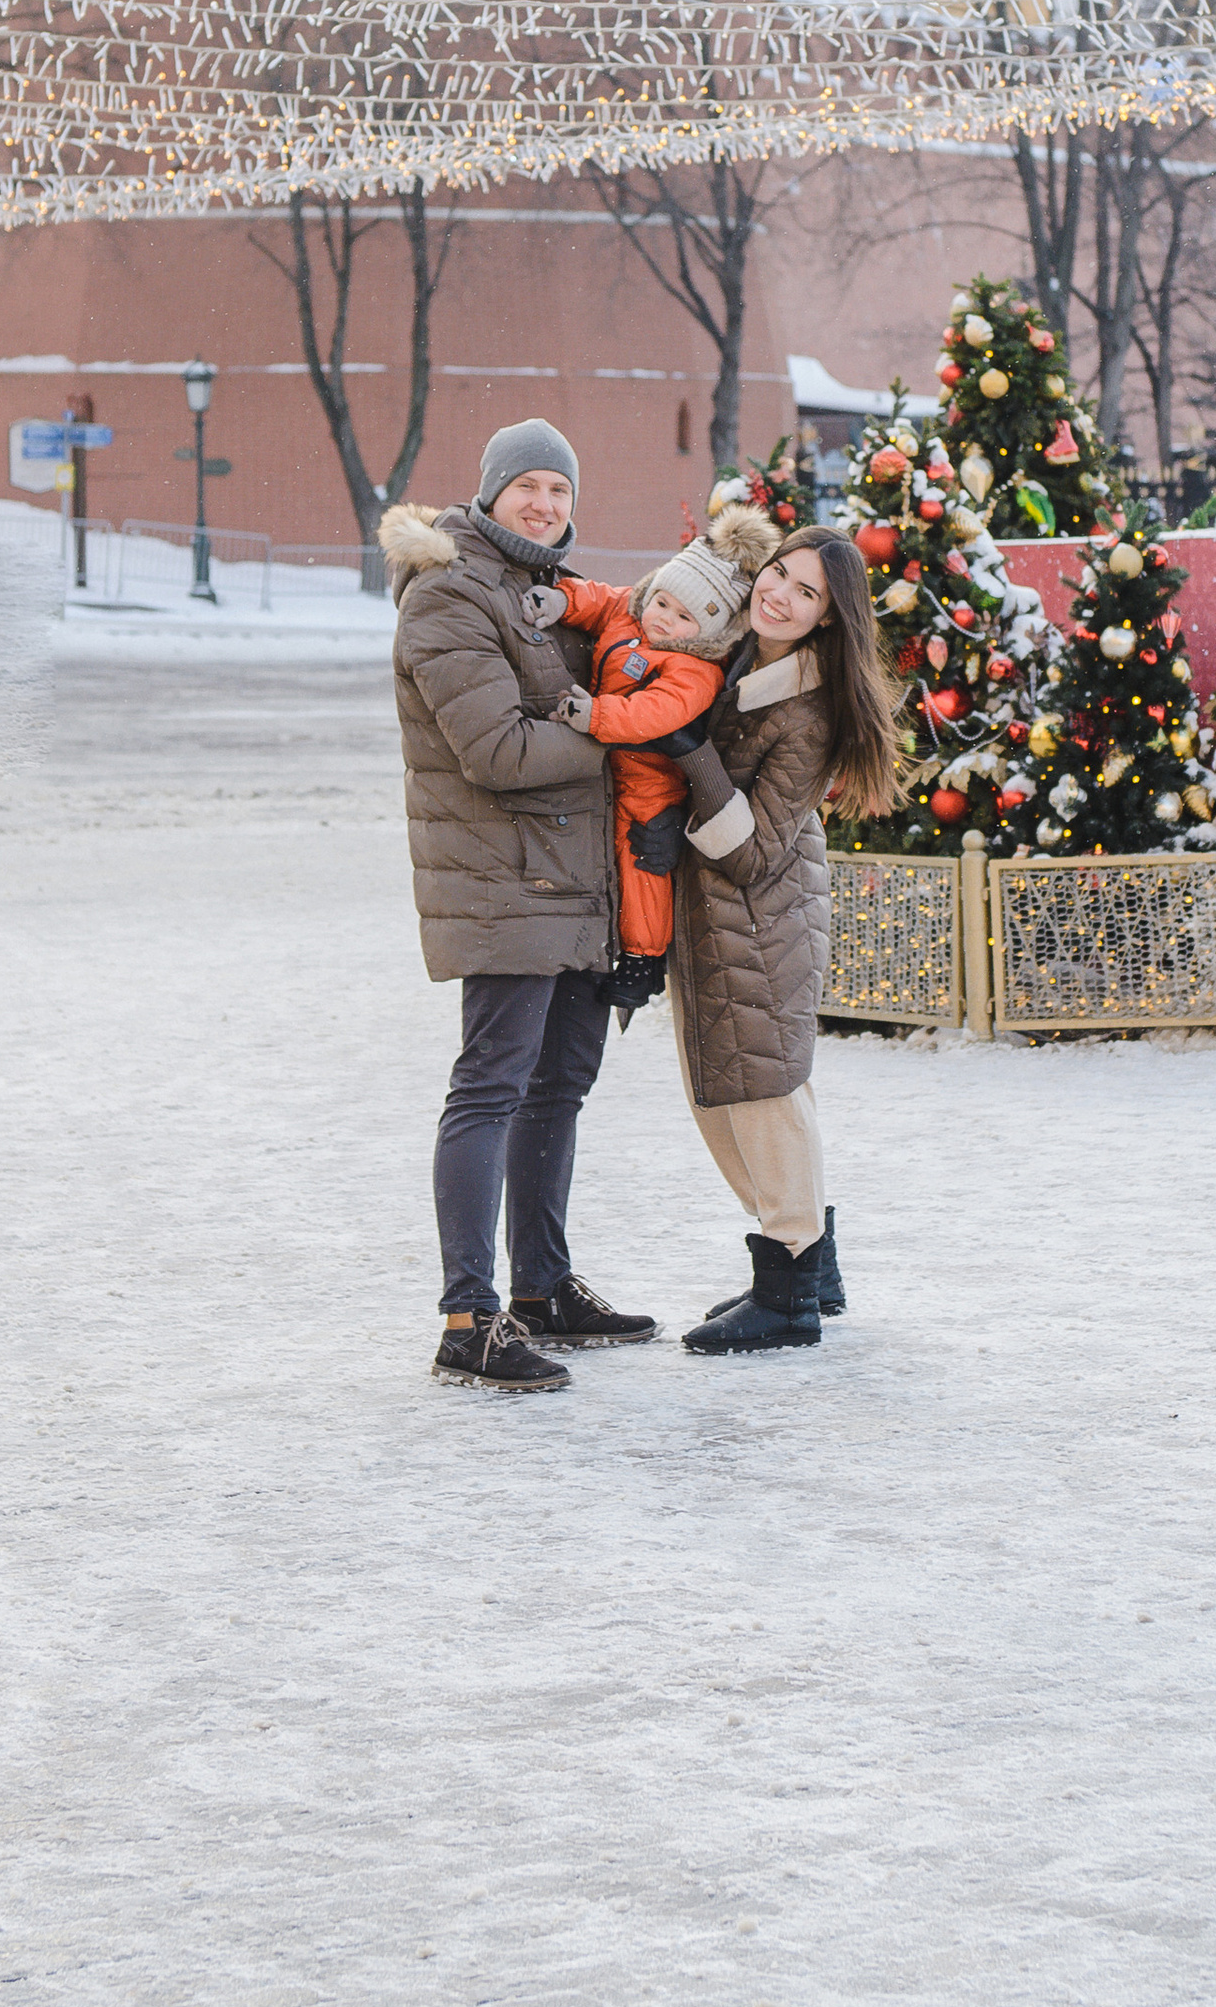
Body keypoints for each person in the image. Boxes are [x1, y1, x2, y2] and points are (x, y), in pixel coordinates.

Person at [379, 419, 660, 1397]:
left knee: (559, 1084)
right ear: (491, 490)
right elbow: (497, 751)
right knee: (493, 1083)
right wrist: (625, 739)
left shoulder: (540, 597)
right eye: (528, 485)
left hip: (571, 881)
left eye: (559, 487)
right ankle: (468, 1313)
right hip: (504, 881)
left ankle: (541, 1287)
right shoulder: (453, 588)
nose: (545, 502)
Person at [636, 525, 902, 1355]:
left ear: (827, 619)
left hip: (762, 917)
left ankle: (788, 1290)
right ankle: (808, 1268)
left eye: (804, 591)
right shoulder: (743, 657)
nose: (778, 593)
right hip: (717, 920)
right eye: (778, 571)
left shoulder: (809, 708)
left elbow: (752, 850)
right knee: (738, 1092)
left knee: (764, 1097)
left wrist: (690, 756)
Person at [551, 503, 779, 1013]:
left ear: (707, 632)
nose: (665, 621)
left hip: (652, 784)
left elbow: (654, 714)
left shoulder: (696, 671)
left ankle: (643, 960)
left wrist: (594, 716)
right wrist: (560, 601)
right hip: (608, 772)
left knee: (642, 868)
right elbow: (598, 598)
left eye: (684, 618)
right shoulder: (630, 614)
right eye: (663, 604)